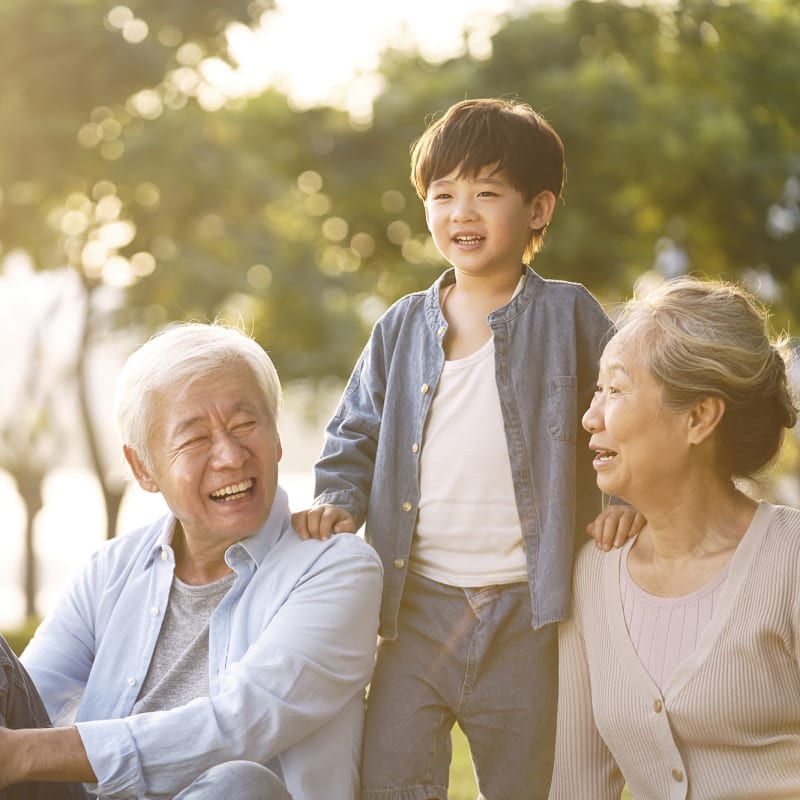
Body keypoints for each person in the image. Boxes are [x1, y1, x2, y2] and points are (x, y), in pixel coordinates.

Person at [292, 97, 641, 800]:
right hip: (416, 607)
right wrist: (337, 498)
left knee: (529, 783)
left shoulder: (570, 315)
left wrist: (624, 502)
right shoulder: (399, 328)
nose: (463, 212)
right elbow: (354, 431)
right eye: (443, 194)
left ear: (538, 209)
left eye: (487, 193)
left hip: (531, 610)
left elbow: (622, 417)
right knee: (389, 777)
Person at [0, 322, 383, 800]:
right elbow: (29, 699)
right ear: (143, 468)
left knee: (240, 783)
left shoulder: (336, 568)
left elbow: (240, 725)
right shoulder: (110, 569)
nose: (229, 455)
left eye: (245, 425)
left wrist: (26, 755)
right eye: (195, 438)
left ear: (277, 438)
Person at [549, 277, 800, 799]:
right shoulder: (594, 573)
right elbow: (577, 787)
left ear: (699, 417)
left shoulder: (791, 560)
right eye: (598, 391)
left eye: (616, 389)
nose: (590, 416)